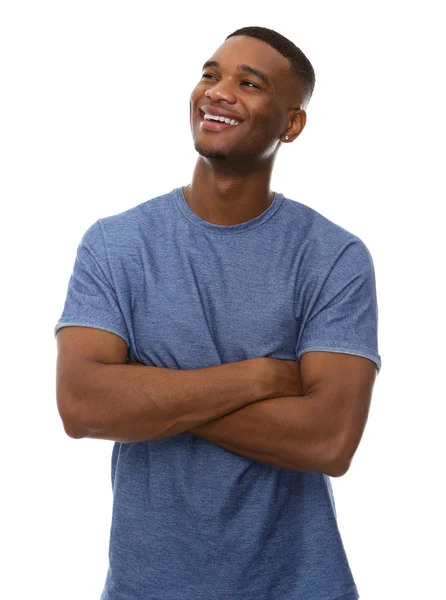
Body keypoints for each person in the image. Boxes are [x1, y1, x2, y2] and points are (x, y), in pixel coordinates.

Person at [55, 26, 381, 600]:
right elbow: (81, 406)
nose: (219, 91)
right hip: (145, 588)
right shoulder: (116, 245)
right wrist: (259, 378)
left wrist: (141, 397)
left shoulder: (334, 257)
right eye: (210, 74)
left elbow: (329, 441)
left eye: (249, 83)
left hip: (298, 586)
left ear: (292, 124)